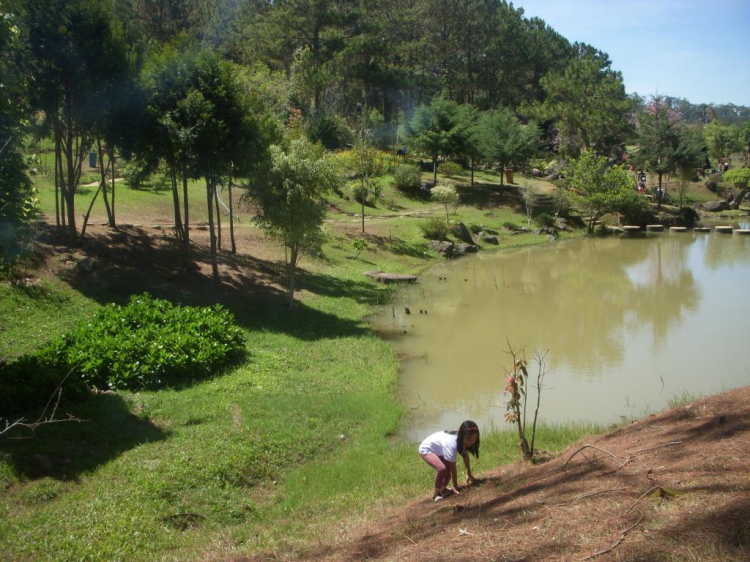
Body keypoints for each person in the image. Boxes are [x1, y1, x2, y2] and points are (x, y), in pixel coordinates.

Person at [418, 420, 480, 502]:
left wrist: (468, 473)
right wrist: (455, 486)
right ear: (462, 436)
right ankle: (436, 494)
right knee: (442, 469)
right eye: (468, 439)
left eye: (474, 439)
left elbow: (465, 456)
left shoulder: (461, 440)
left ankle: (442, 489)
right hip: (427, 449)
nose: (471, 442)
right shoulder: (451, 444)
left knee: (447, 474)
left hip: (439, 449)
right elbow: (453, 468)